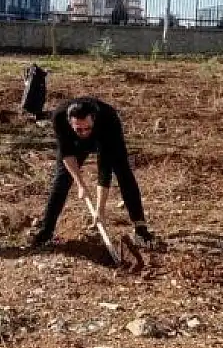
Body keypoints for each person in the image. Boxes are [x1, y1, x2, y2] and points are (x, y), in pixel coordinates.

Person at [31, 97, 161, 250]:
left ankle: (141, 228)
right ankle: (46, 231)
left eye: (87, 128)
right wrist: (80, 184)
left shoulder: (108, 119)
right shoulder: (59, 117)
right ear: (69, 122)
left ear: (93, 119)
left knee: (123, 172)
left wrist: (100, 210)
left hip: (107, 136)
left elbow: (104, 169)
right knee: (62, 178)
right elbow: (66, 153)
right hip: (75, 143)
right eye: (79, 129)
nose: (84, 132)